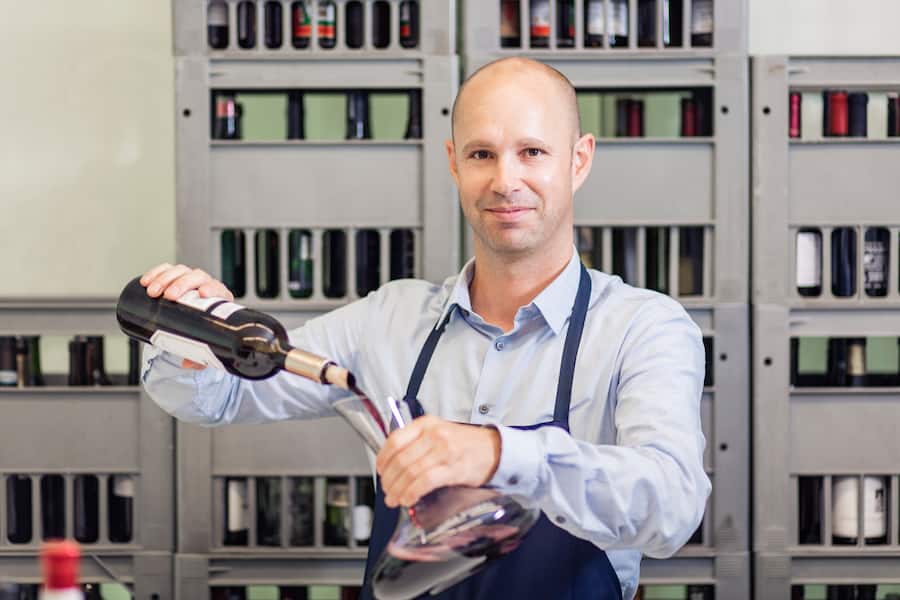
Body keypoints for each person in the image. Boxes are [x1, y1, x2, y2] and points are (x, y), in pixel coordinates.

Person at [140, 57, 710, 600]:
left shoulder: (642, 327)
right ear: (454, 162)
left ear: (578, 160)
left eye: (532, 151)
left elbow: (673, 504)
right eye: (482, 154)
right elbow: (220, 396)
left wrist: (497, 453)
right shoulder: (387, 324)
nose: (506, 180)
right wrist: (194, 331)